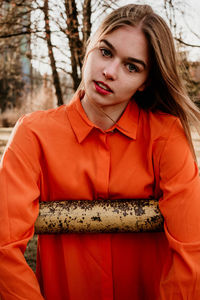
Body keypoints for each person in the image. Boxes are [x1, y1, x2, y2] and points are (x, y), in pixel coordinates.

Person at [1, 3, 200, 300]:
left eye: (131, 66)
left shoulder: (166, 136)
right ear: (90, 48)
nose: (109, 72)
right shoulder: (33, 134)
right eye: (105, 52)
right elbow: (3, 247)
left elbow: (191, 249)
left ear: (145, 82)